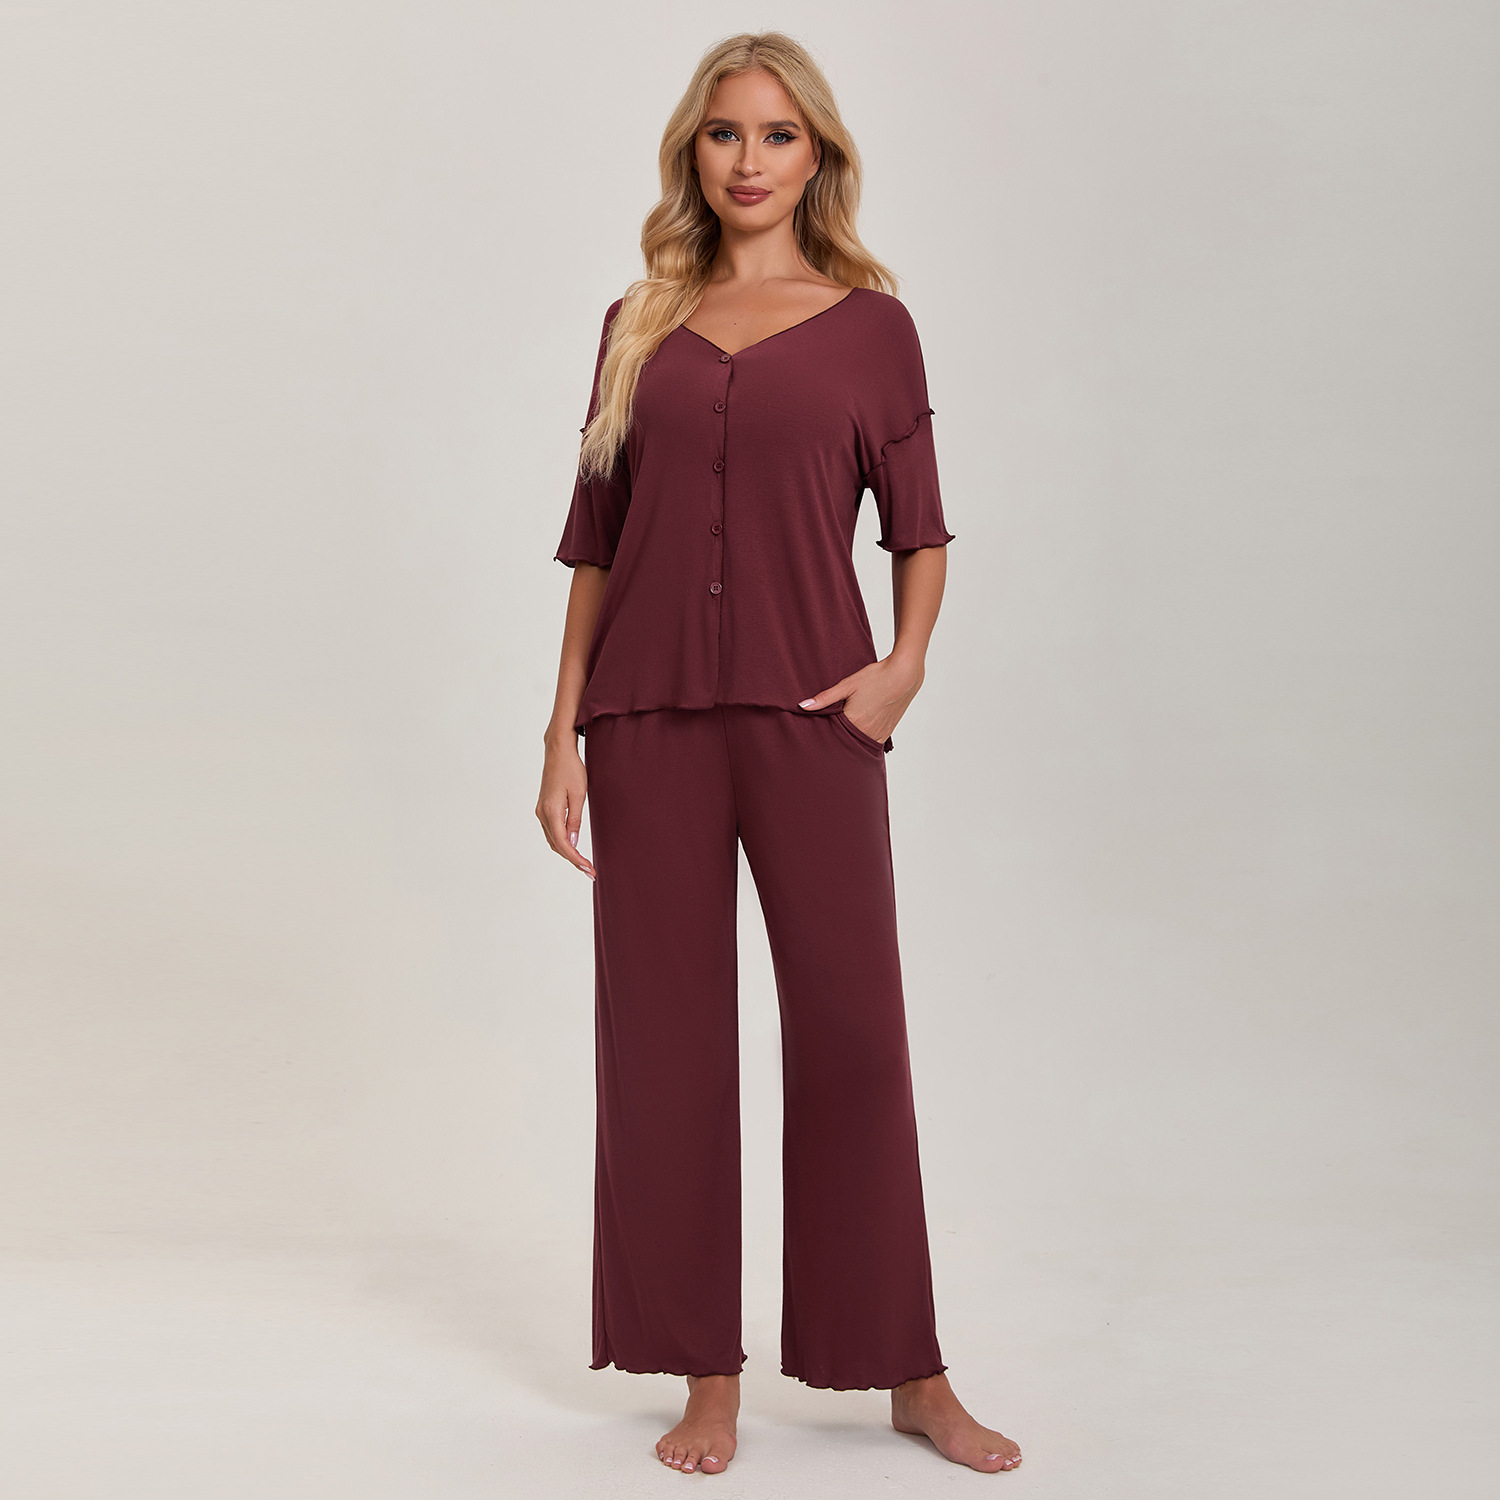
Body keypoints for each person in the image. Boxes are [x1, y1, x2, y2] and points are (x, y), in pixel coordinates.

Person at [536, 31, 1022, 1479]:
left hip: (817, 720)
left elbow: (920, 526)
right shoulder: (638, 322)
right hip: (647, 723)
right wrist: (562, 728)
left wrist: (901, 670)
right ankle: (708, 1378)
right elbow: (596, 543)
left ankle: (909, 1373)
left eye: (778, 135)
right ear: (692, 153)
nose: (749, 161)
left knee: (855, 1038)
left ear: (820, 157)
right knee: (666, 1051)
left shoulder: (874, 328)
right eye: (724, 134)